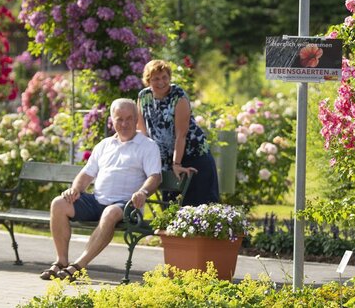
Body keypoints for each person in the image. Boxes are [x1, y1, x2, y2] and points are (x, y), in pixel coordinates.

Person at [40, 98, 162, 281]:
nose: (125, 123)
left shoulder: (147, 146)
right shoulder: (104, 145)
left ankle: (79, 265)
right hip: (97, 202)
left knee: (111, 212)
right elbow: (86, 174)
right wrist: (75, 189)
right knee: (58, 203)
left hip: (127, 205)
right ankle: (62, 261)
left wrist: (143, 192)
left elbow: (155, 176)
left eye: (129, 118)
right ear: (112, 120)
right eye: (119, 119)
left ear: (137, 119)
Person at [136, 59, 220, 206]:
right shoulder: (143, 97)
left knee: (201, 209)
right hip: (167, 161)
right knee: (172, 211)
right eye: (156, 78)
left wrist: (176, 164)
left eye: (164, 77)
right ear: (148, 80)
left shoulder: (178, 96)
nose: (161, 82)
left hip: (193, 157)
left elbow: (181, 134)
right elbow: (143, 133)